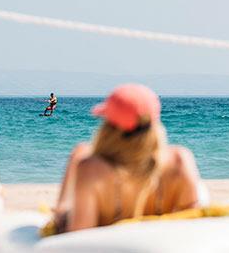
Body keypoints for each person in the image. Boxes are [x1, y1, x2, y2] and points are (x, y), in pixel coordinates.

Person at [51, 84, 202, 232]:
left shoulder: (91, 168)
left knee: (80, 151)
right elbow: (194, 226)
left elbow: (79, 239)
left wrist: (61, 214)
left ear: (109, 128)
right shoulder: (180, 160)